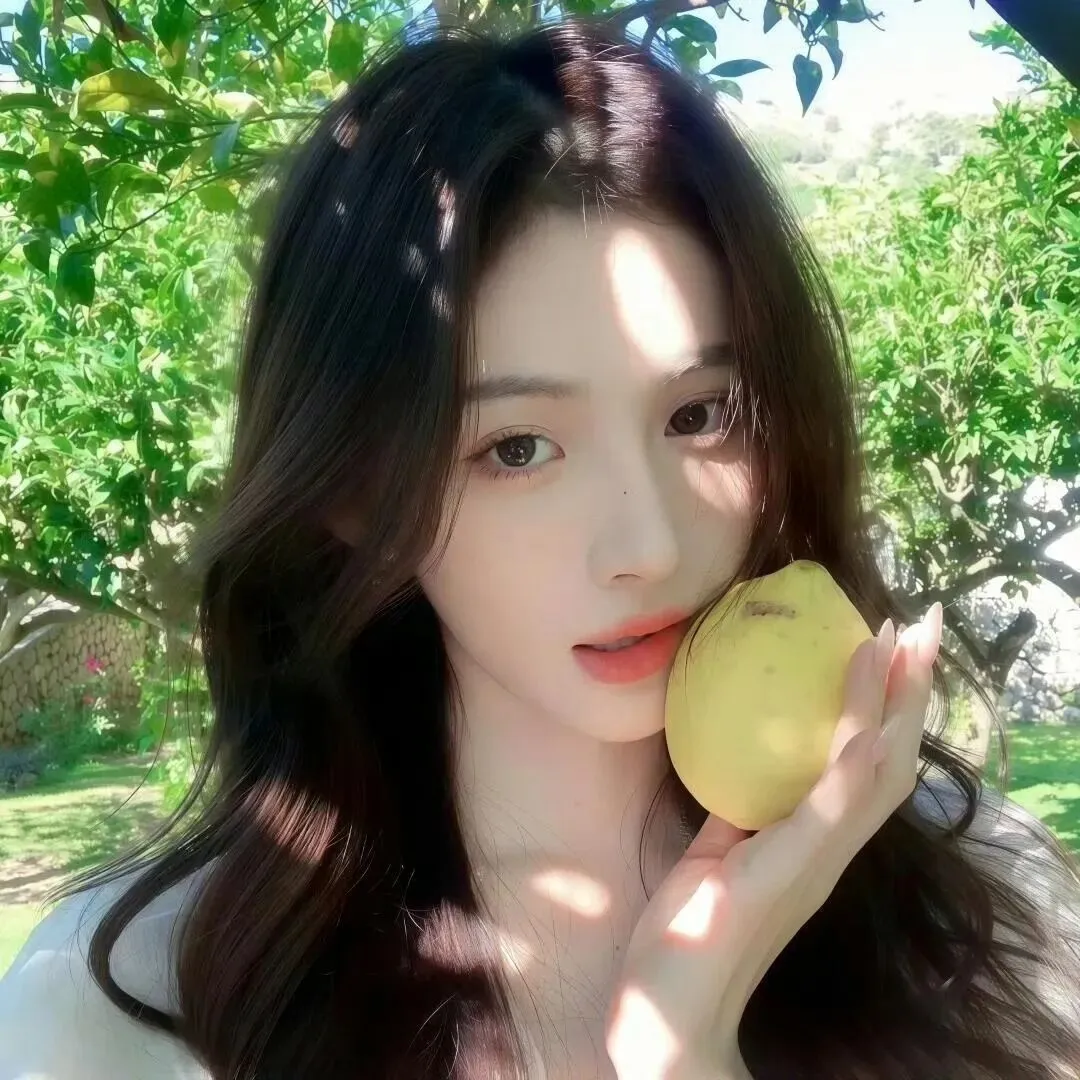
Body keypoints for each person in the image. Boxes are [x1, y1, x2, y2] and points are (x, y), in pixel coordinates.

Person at [1, 15, 1078, 1080]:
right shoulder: (122, 1014)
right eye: (516, 447)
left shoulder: (991, 906)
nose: (647, 545)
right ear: (350, 493)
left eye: (700, 415)